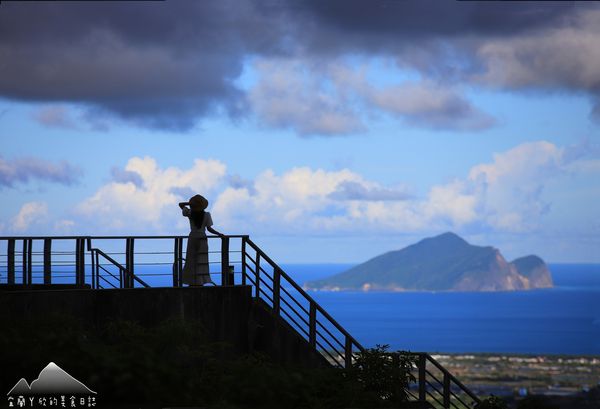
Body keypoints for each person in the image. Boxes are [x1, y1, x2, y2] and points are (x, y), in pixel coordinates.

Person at [178, 194, 222, 286]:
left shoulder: (190, 213)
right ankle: (200, 281)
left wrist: (190, 203)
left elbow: (180, 204)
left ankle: (191, 281)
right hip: (202, 237)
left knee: (190, 259)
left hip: (192, 237)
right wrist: (219, 234)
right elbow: (209, 229)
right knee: (202, 259)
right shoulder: (206, 214)